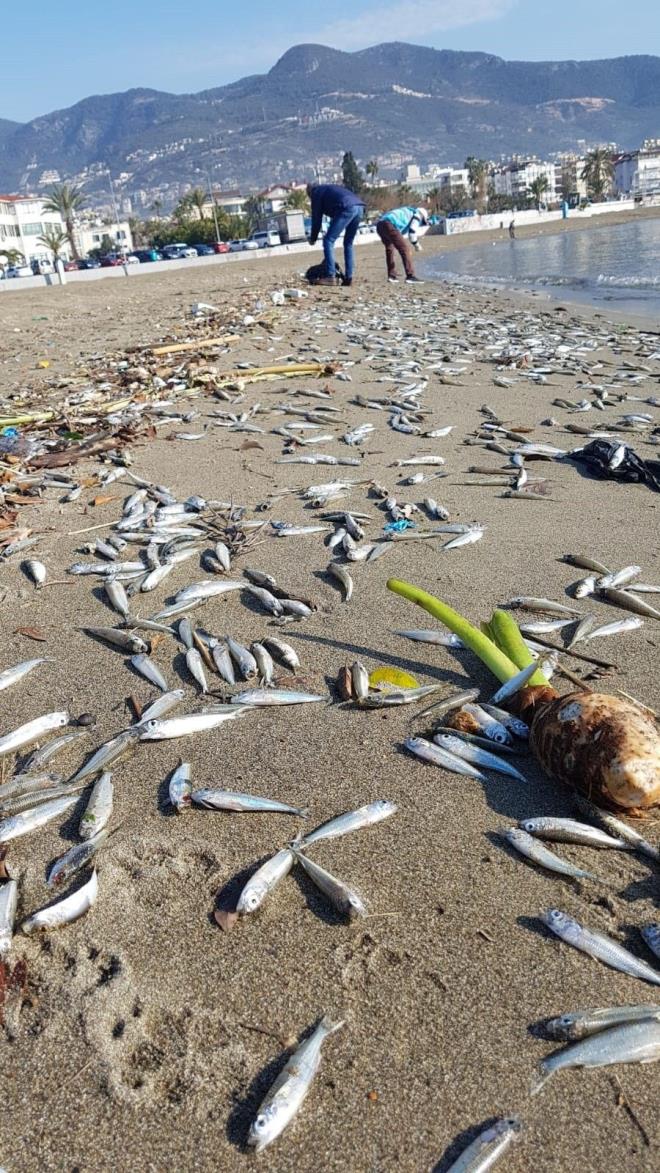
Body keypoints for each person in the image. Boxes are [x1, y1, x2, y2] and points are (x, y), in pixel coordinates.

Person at [307, 183, 365, 287]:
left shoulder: (316, 193)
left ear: (309, 192)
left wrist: (313, 238)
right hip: (359, 207)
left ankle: (331, 276)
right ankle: (349, 278)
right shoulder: (328, 189)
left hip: (347, 207)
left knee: (328, 241)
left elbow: (316, 219)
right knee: (348, 243)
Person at [376, 206, 428, 283]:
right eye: (423, 222)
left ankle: (392, 276)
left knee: (390, 249)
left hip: (380, 224)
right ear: (423, 217)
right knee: (405, 249)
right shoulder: (417, 214)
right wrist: (416, 244)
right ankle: (410, 276)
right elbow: (412, 231)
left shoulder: (407, 210)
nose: (420, 224)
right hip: (389, 224)